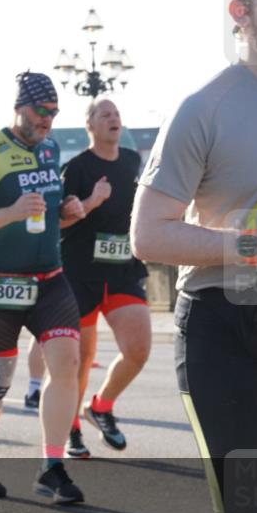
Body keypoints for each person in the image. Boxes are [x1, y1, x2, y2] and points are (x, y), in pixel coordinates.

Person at [131, 0, 257, 513]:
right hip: (228, 330)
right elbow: (148, 234)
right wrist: (255, 248)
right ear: (241, 14)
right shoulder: (206, 106)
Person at [0, 71, 86, 505]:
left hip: (48, 276)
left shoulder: (50, 147)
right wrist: (9, 211)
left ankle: (52, 466)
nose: (48, 120)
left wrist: (70, 210)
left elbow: (46, 212)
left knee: (67, 360)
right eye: (41, 112)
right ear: (20, 108)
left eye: (54, 113)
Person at [59, 97, 152, 457]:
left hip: (122, 269)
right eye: (104, 115)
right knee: (80, 358)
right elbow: (62, 221)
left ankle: (101, 406)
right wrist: (92, 202)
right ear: (90, 126)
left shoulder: (132, 161)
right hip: (80, 273)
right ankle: (70, 428)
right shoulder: (77, 168)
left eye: (116, 113)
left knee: (138, 349)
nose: (113, 118)